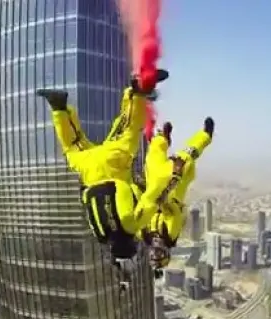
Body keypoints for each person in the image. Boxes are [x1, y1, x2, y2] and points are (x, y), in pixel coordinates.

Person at [36, 71, 169, 267]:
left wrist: (162, 186)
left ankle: (139, 91)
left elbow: (149, 199)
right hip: (88, 168)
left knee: (129, 130)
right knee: (73, 146)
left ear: (131, 244)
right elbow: (85, 201)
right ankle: (58, 107)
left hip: (114, 164)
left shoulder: (132, 227)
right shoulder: (100, 234)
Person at [140, 117, 215, 274]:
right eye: (159, 253)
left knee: (152, 159)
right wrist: (163, 201)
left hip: (154, 188)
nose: (155, 250)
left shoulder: (145, 235)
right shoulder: (170, 235)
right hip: (174, 185)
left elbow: (137, 217)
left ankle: (162, 138)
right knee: (187, 157)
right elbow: (174, 213)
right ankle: (206, 136)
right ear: (166, 251)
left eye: (153, 254)